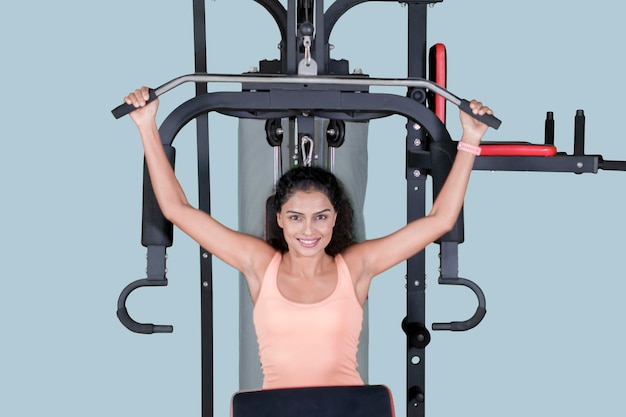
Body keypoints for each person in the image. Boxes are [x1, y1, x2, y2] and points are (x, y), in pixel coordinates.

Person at [123, 86, 493, 390]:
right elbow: (177, 209)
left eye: (321, 217)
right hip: (275, 413)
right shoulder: (260, 265)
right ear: (280, 219)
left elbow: (440, 220)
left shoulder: (356, 268)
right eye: (297, 218)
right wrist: (146, 126)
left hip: (349, 412)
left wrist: (470, 139)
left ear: (335, 219)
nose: (309, 230)